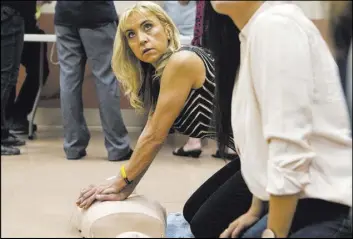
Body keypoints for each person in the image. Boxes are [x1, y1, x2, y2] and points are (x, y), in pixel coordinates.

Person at [75, 1, 239, 213]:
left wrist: (121, 180)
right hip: (251, 158)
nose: (142, 39)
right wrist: (126, 187)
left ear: (168, 29)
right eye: (131, 35)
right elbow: (150, 136)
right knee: (193, 211)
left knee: (205, 225)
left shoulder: (182, 61)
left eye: (147, 26)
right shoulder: (160, 76)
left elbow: (154, 136)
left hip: (271, 157)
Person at [206, 1, 351, 238]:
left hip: (329, 207)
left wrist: (273, 232)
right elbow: (264, 146)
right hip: (303, 200)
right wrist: (257, 208)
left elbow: (289, 147)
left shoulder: (275, 26)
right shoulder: (256, 31)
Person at [54, 1, 132, 160]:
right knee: (106, 79)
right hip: (98, 15)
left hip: (65, 14)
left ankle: (73, 146)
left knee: (68, 79)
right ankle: (117, 147)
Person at [172, 0, 237, 160]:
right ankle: (229, 144)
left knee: (199, 80)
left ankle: (194, 141)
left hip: (210, 23)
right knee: (231, 82)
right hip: (238, 23)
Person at [6, 1, 50, 135]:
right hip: (7, 24)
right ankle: (8, 118)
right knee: (8, 73)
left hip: (27, 25)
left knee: (40, 70)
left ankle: (18, 115)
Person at [1, 1, 28, 155]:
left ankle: (3, 132)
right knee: (4, 79)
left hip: (14, 14)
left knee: (10, 78)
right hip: (7, 14)